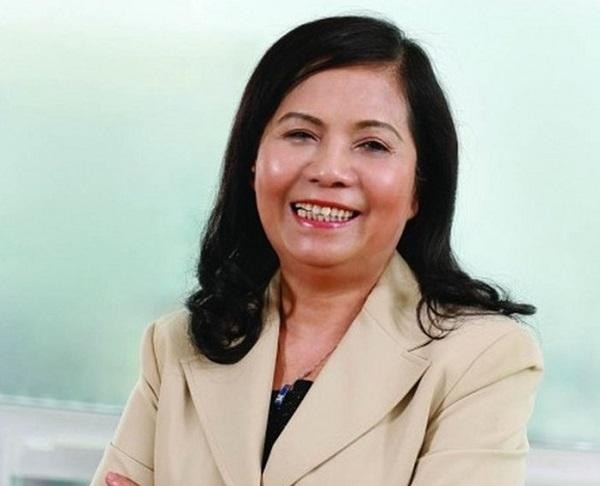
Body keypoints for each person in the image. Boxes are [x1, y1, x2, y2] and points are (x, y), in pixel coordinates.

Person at [92, 15, 543, 486]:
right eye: (300, 135)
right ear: (253, 162)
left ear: (418, 189)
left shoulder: (482, 357)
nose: (329, 171)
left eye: (372, 144)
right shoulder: (178, 344)